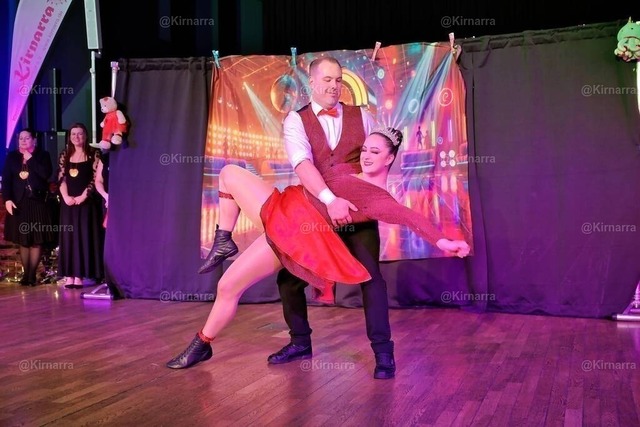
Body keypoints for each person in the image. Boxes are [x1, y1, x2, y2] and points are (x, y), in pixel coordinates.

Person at [170, 127, 470, 374]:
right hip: (284, 203)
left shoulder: (379, 200)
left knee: (227, 286)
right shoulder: (348, 170)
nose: (366, 156)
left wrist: (444, 242)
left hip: (293, 232)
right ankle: (223, 239)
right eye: (365, 150)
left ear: (390, 158)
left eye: (375, 152)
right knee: (229, 173)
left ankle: (202, 343)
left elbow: (410, 217)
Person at [2, 128, 54, 286]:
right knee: (23, 240)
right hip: (19, 202)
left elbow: (46, 175)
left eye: (27, 138)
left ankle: (32, 276)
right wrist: (7, 199)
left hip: (38, 202)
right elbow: (7, 181)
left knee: (36, 240)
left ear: (34, 140)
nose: (23, 141)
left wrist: (30, 159)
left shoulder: (43, 155)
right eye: (21, 138)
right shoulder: (12, 157)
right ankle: (26, 275)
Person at [56, 123, 105, 289]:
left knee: (83, 237)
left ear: (85, 135)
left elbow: (95, 178)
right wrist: (65, 197)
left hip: (86, 203)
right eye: (73, 134)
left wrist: (83, 196)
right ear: (69, 137)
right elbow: (61, 178)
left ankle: (81, 275)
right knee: (69, 238)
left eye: (80, 134)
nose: (76, 137)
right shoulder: (65, 154)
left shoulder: (93, 153)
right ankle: (69, 275)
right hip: (68, 203)